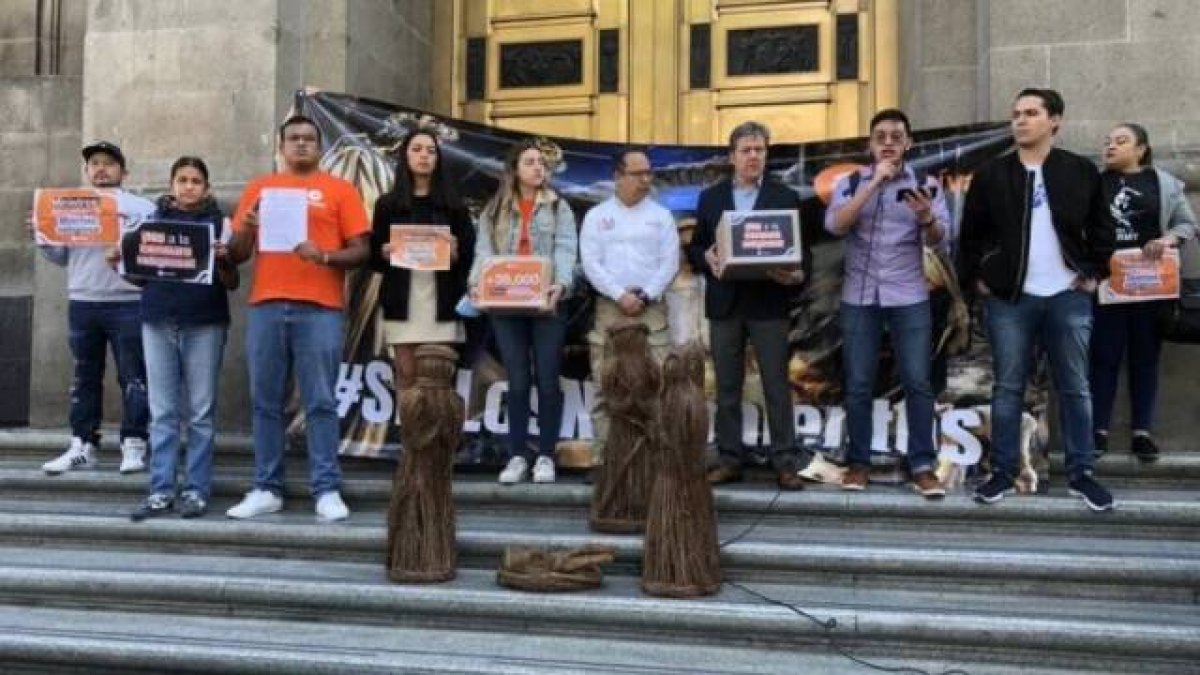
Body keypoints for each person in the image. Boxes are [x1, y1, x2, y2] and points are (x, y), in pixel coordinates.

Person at [958, 88, 1116, 511]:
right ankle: (1002, 474)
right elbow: (969, 236)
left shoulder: (1079, 171)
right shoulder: (992, 174)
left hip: (1067, 295)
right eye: (1016, 114)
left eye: (1031, 113)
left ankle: (1083, 475)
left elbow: (1104, 230)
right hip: (1011, 299)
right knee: (1008, 388)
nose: (1020, 121)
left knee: (1076, 387)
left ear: (1055, 121)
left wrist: (1094, 273)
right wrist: (980, 279)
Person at [225, 115, 370, 521]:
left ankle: (326, 488)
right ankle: (266, 487)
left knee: (321, 401)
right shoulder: (260, 188)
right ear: (281, 145)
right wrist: (247, 229)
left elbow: (362, 250)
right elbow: (236, 255)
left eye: (309, 139)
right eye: (294, 138)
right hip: (267, 303)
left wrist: (323, 256)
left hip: (320, 306)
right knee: (265, 402)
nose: (302, 144)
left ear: (320, 146)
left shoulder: (339, 190)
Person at [825, 109, 949, 499]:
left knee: (917, 382)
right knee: (859, 384)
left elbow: (940, 241)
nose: (889, 142)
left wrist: (927, 218)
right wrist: (873, 182)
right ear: (870, 144)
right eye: (881, 136)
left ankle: (923, 466)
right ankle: (858, 464)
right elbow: (836, 225)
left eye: (897, 136)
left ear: (909, 143)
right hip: (859, 296)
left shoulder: (926, 184)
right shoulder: (852, 182)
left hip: (908, 295)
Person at [686, 121, 812, 490]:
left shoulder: (784, 196)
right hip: (725, 303)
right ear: (732, 156)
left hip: (768, 303)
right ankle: (729, 459)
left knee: (775, 384)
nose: (753, 156)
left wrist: (796, 273)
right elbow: (696, 247)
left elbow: (800, 251)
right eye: (746, 150)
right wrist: (705, 257)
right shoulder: (711, 198)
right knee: (726, 387)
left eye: (759, 150)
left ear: (766, 155)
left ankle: (785, 461)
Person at [125, 157, 239, 520]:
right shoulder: (149, 223)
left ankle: (196, 490)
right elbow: (139, 279)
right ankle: (160, 489)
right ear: (171, 184)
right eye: (182, 179)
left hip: (205, 323)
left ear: (206, 187)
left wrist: (223, 260)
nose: (188, 186)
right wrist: (121, 263)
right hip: (157, 321)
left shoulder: (221, 224)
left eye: (195, 180)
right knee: (162, 412)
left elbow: (233, 282)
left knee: (201, 413)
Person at [37, 141, 154, 476]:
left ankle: (134, 443)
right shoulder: (69, 205)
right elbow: (60, 256)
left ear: (124, 171)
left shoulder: (141, 207)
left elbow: (151, 255)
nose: (101, 169)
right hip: (83, 300)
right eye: (95, 164)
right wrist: (43, 237)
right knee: (83, 377)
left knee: (134, 377)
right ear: (87, 171)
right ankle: (82, 444)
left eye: (109, 163)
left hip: (128, 301)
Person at [468, 138, 577, 485]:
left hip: (546, 304)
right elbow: (483, 251)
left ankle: (545, 454)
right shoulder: (494, 209)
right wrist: (476, 283)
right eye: (529, 162)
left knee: (547, 379)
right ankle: (517, 455)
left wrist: (561, 283)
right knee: (516, 381)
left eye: (541, 164)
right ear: (514, 170)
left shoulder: (559, 207)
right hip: (506, 304)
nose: (537, 168)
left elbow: (566, 248)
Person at [1090, 123, 1198, 462]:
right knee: (1103, 355)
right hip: (1108, 283)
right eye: (1108, 142)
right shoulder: (1094, 184)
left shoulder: (1164, 184)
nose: (1110, 147)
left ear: (1141, 149)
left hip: (1152, 284)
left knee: (1145, 357)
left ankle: (1142, 432)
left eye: (1121, 141)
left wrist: (1166, 240)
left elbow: (1187, 224)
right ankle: (1098, 431)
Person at [579, 147, 679, 466]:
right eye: (638, 174)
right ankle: (605, 461)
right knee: (606, 386)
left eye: (649, 173)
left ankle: (655, 461)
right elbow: (591, 263)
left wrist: (645, 295)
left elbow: (670, 262)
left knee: (657, 386)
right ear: (617, 177)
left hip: (652, 311)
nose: (645, 180)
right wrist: (620, 295)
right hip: (610, 308)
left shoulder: (661, 216)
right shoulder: (597, 216)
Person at [370, 129, 475, 393]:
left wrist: (455, 255)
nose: (424, 156)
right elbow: (373, 259)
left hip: (442, 300)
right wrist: (383, 252)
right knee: (406, 376)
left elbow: (470, 257)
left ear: (438, 158)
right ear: (405, 155)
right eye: (417, 149)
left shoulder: (454, 205)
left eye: (430, 150)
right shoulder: (387, 205)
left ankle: (440, 435)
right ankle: (411, 434)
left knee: (439, 379)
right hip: (402, 300)